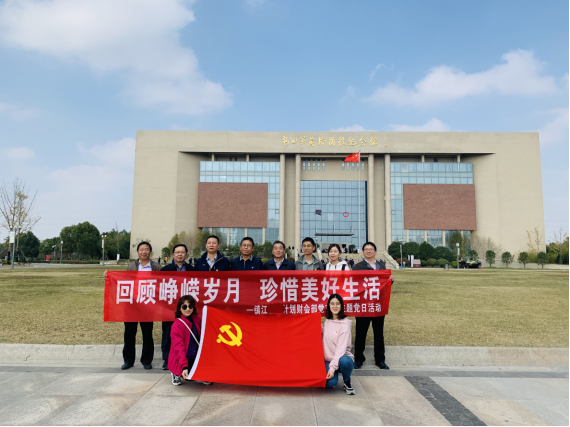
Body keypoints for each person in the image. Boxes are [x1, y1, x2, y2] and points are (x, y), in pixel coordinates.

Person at [352, 241, 394, 370]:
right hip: (363, 305)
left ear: (375, 252)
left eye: (371, 249)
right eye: (366, 249)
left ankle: (380, 360)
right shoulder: (357, 267)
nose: (368, 251)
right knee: (360, 333)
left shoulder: (382, 266)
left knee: (378, 333)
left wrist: (390, 280)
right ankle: (358, 359)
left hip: (377, 305)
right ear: (363, 252)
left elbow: (385, 285)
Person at [123, 241, 161, 370]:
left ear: (150, 252)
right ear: (137, 252)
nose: (144, 252)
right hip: (132, 305)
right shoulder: (131, 266)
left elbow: (162, 284)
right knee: (129, 333)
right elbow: (124, 281)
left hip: (148, 305)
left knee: (147, 334)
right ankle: (128, 360)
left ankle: (146, 360)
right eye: (141, 249)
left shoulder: (156, 267)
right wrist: (108, 276)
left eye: (146, 249)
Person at [159, 243, 194, 371]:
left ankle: (187, 359)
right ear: (173, 254)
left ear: (186, 254)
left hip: (187, 308)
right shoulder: (165, 270)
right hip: (169, 307)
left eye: (182, 252)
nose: (180, 254)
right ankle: (167, 359)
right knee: (168, 333)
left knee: (186, 333)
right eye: (177, 252)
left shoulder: (192, 270)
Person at [168, 295, 211, 386]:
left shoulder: (196, 319)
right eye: (184, 307)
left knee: (203, 375)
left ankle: (196, 374)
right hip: (182, 357)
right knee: (188, 376)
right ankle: (176, 373)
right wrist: (184, 366)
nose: (188, 309)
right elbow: (179, 348)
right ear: (180, 309)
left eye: (190, 306)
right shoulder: (176, 326)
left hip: (195, 355)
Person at [322, 293, 355, 395]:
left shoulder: (345, 325)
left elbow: (340, 350)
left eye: (337, 304)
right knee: (330, 383)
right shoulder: (328, 322)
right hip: (329, 359)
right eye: (332, 304)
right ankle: (334, 374)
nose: (335, 306)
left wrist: (332, 369)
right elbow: (324, 336)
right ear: (329, 306)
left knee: (346, 361)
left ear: (341, 306)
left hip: (341, 358)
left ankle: (347, 381)